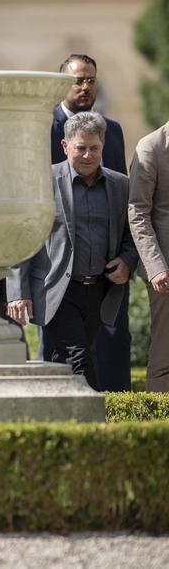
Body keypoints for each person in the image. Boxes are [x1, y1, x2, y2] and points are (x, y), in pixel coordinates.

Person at [8, 112, 137, 390]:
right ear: (66, 147)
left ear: (103, 146)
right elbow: (21, 237)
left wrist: (127, 261)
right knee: (78, 360)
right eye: (81, 148)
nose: (88, 155)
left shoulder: (120, 185)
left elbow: (132, 233)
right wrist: (18, 292)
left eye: (95, 148)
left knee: (66, 363)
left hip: (100, 291)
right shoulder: (42, 181)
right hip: (57, 290)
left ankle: (59, 425)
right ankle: (95, 427)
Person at [48, 54, 131, 391]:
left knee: (112, 349)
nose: (84, 87)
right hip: (60, 272)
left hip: (106, 270)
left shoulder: (112, 131)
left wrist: (127, 258)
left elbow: (123, 200)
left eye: (90, 80)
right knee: (64, 359)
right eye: (77, 80)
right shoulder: (43, 126)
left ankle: (115, 424)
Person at [128, 119, 169, 392]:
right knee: (166, 351)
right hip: (166, 270)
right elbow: (137, 212)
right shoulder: (150, 147)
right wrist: (155, 267)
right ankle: (160, 421)